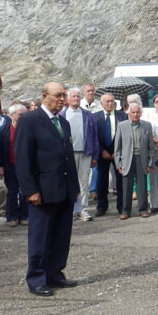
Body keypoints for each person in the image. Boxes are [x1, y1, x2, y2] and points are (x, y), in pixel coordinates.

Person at [15, 82, 79, 297]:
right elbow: (23, 158)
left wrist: (75, 187)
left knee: (61, 235)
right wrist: (30, 190)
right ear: (44, 96)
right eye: (58, 95)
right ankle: (36, 278)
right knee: (40, 236)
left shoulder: (63, 122)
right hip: (42, 191)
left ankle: (55, 273)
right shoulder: (29, 120)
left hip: (64, 189)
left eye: (64, 95)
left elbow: (67, 156)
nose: (63, 99)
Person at [59, 88, 99, 221]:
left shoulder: (88, 115)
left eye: (78, 96)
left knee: (83, 182)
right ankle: (70, 209)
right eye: (73, 96)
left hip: (85, 152)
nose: (76, 98)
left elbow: (94, 137)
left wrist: (95, 155)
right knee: (70, 182)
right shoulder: (61, 115)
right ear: (68, 99)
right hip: (68, 154)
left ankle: (82, 209)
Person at [114, 102, 156, 219]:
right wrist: (118, 164)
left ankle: (143, 209)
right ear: (129, 114)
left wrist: (150, 162)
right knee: (126, 186)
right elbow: (117, 147)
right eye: (133, 112)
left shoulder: (147, 126)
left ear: (141, 113)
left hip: (141, 159)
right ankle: (126, 211)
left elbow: (151, 147)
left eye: (138, 112)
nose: (136, 114)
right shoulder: (122, 126)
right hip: (127, 159)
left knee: (142, 186)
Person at [0, 102, 29, 227]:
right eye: (20, 115)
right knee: (12, 192)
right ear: (12, 115)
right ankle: (12, 216)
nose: (23, 117)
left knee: (26, 192)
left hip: (26, 166)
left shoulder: (29, 128)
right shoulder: (4, 129)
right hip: (10, 166)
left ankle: (24, 215)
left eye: (25, 114)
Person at [94, 93, 125, 216]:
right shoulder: (94, 117)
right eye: (107, 101)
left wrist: (116, 151)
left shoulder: (122, 116)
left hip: (118, 152)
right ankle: (101, 206)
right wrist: (102, 151)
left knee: (120, 180)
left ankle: (122, 207)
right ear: (102, 103)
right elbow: (93, 136)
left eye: (112, 101)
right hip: (102, 153)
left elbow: (125, 135)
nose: (110, 103)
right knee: (102, 180)